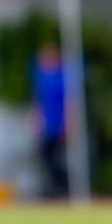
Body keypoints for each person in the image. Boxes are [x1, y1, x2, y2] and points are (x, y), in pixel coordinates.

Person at [32, 42, 68, 198]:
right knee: (45, 158)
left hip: (58, 123)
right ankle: (53, 188)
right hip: (45, 124)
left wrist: (67, 124)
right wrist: (36, 120)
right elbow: (37, 101)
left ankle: (63, 185)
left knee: (54, 157)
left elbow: (68, 102)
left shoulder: (61, 77)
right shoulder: (40, 76)